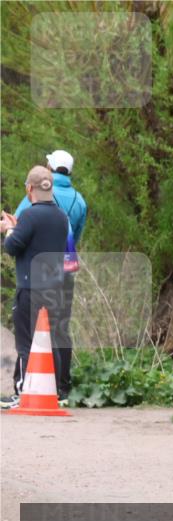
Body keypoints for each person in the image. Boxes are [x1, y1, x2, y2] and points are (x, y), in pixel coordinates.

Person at [14, 150, 86, 400]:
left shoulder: (37, 197)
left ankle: (27, 386)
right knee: (59, 327)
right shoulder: (79, 200)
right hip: (64, 269)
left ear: (50, 168)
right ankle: (62, 387)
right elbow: (76, 236)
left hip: (37, 274)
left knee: (30, 329)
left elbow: (21, 225)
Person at [1, 167, 70, 409]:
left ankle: (23, 391)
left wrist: (9, 229)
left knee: (26, 343)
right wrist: (18, 227)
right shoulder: (61, 217)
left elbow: (12, 247)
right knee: (50, 341)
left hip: (30, 287)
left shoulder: (30, 215)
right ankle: (54, 391)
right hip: (53, 288)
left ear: (29, 188)